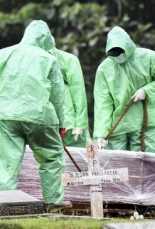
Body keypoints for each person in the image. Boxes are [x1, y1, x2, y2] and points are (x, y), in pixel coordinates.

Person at [0, 20, 66, 205]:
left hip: (6, 117)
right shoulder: (49, 59)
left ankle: (4, 207)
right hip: (39, 116)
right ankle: (53, 204)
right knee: (51, 158)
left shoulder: (3, 54)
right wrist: (60, 124)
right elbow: (57, 95)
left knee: (6, 164)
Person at [93, 26, 155, 152]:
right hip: (119, 123)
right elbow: (103, 102)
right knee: (117, 164)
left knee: (145, 162)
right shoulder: (105, 69)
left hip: (146, 121)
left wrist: (146, 90)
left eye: (119, 52)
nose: (117, 56)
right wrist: (101, 133)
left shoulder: (149, 58)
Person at [49, 35, 90, 147]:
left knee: (79, 159)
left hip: (69, 124)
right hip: (47, 124)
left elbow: (78, 92)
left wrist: (80, 124)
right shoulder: (34, 61)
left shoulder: (69, 60)